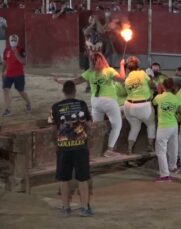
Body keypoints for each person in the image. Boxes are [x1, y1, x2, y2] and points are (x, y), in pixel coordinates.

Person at [54, 52, 125, 158]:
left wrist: (60, 81)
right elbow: (122, 79)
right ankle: (109, 150)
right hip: (109, 101)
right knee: (117, 125)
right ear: (103, 60)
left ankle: (92, 149)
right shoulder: (109, 71)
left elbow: (74, 82)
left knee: (96, 126)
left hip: (95, 101)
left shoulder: (89, 72)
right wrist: (122, 65)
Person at [48, 81, 93, 217]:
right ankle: (85, 208)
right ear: (74, 91)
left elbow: (52, 128)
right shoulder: (81, 104)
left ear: (64, 91)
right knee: (83, 178)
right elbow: (89, 124)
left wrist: (56, 143)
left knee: (64, 178)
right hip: (80, 146)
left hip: (63, 147)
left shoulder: (55, 107)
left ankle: (65, 208)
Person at [153, 78, 181, 182]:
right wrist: (178, 120)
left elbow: (153, 103)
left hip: (163, 127)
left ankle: (165, 175)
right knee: (173, 147)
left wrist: (159, 92)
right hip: (174, 125)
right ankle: (173, 167)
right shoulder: (176, 98)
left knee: (161, 151)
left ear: (164, 86)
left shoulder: (159, 97)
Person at [123, 56, 156, 154]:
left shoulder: (127, 78)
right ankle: (150, 146)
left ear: (128, 68)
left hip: (128, 106)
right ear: (138, 66)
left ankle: (129, 149)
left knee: (135, 127)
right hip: (143, 105)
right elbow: (152, 85)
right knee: (151, 124)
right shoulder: (142, 73)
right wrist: (151, 76)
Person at [2, 34, 32, 117]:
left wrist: (16, 53)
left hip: (19, 75)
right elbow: (5, 62)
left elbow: (24, 62)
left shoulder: (21, 50)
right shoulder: (6, 50)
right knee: (5, 90)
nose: (13, 41)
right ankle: (8, 109)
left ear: (17, 41)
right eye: (12, 40)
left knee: (21, 91)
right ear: (9, 40)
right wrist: (2, 71)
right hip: (9, 74)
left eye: (15, 40)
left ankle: (28, 103)